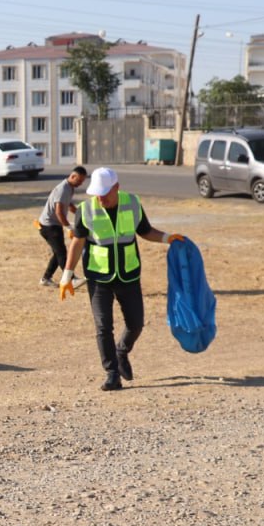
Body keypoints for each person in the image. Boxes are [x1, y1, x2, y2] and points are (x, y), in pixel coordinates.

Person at [59, 167, 185, 392]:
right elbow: (77, 242)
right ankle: (112, 373)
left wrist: (168, 238)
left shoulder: (132, 203)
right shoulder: (86, 209)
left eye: (105, 193)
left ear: (116, 187)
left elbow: (145, 231)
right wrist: (67, 274)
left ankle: (122, 351)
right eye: (97, 193)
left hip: (128, 275)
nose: (101, 198)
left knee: (136, 323)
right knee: (103, 326)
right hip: (98, 278)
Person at [35, 166, 88, 286]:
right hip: (49, 226)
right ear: (73, 176)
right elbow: (59, 211)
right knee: (62, 253)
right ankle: (71, 279)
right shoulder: (63, 189)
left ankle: (46, 278)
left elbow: (69, 205)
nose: (80, 184)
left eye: (82, 181)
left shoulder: (69, 188)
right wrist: (68, 227)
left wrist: (81, 215)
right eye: (79, 181)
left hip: (53, 225)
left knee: (58, 252)